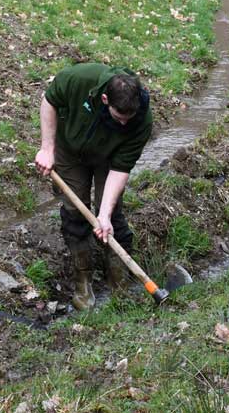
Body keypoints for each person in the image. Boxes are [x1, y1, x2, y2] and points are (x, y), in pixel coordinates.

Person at [34, 62, 153, 310]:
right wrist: (47, 148)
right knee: (74, 212)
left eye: (127, 119)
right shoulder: (78, 79)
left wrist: (104, 215)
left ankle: (118, 279)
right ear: (105, 99)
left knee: (111, 215)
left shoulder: (141, 121)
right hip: (70, 149)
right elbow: (49, 100)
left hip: (109, 158)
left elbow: (121, 169)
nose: (123, 124)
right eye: (118, 117)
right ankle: (83, 279)